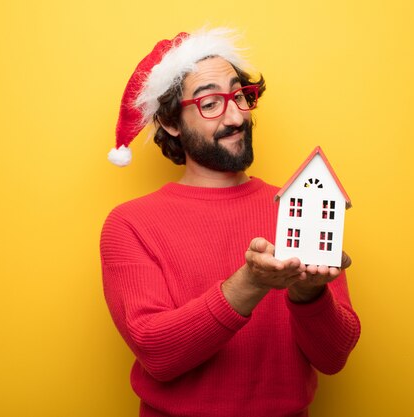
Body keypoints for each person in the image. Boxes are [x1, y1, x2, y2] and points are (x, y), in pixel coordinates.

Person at [100, 27, 361, 417]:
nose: (237, 115)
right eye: (210, 103)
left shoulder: (300, 205)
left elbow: (334, 357)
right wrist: (251, 283)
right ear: (171, 123)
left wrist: (310, 295)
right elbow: (157, 354)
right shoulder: (130, 224)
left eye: (240, 96)